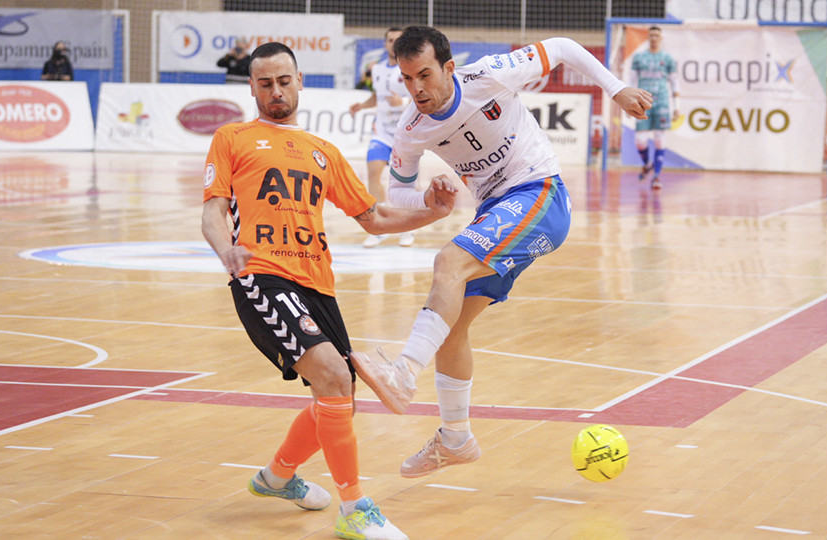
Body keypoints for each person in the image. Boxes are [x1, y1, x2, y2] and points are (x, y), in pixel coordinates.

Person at [350, 26, 652, 477]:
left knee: (448, 261)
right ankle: (455, 437)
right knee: (451, 327)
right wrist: (429, 201)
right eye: (407, 77)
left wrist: (617, 88)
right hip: (495, 212)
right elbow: (398, 190)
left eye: (425, 76)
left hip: (539, 194)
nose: (416, 88)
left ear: (449, 68)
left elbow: (565, 48)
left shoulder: (489, 75)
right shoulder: (411, 129)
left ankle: (404, 372)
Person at [201, 41, 456, 540]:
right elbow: (213, 210)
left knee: (339, 397)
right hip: (261, 274)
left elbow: (374, 217)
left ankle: (277, 478)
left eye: (283, 81)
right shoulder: (231, 138)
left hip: (317, 282)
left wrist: (434, 211)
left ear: (300, 83)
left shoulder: (324, 152)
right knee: (335, 378)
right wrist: (224, 249)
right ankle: (355, 508)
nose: (275, 91)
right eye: (264, 83)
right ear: (251, 87)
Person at [350, 28, 420, 248]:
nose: (393, 43)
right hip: (381, 132)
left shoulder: (411, 68)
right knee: (373, 173)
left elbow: (421, 97)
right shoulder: (377, 69)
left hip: (405, 134)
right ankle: (379, 227)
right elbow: (377, 97)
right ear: (385, 44)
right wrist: (362, 105)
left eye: (397, 40)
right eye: (390, 40)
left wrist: (402, 103)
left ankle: (407, 229)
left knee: (406, 184)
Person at [629, 26, 680, 190]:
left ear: (661, 38)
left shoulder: (667, 58)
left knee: (659, 138)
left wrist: (676, 107)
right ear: (648, 37)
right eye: (651, 35)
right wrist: (629, 103)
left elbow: (674, 82)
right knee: (640, 141)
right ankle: (647, 164)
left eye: (657, 35)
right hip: (644, 102)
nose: (654, 38)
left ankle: (657, 176)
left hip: (662, 102)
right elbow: (632, 80)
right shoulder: (639, 58)